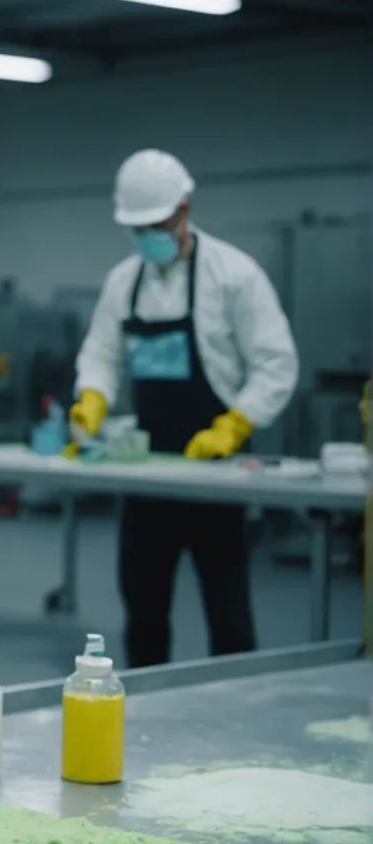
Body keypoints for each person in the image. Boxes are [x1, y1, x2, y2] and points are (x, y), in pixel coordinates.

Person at [70, 148, 298, 667]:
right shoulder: (124, 282)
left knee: (227, 610)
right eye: (138, 229)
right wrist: (93, 396)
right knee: (143, 610)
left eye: (157, 225)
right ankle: (145, 705)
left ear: (184, 211)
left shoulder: (234, 276)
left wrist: (236, 424)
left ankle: (236, 701)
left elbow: (276, 362)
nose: (149, 236)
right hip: (148, 472)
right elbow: (102, 352)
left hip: (216, 470)